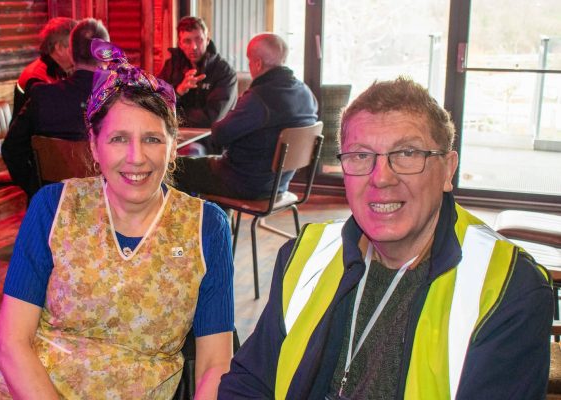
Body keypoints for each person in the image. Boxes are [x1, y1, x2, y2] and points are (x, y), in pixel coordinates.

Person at [218, 77, 554, 399]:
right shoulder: (304, 256)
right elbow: (251, 381)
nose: (381, 178)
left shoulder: (508, 289)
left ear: (448, 169)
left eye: (407, 153)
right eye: (361, 155)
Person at [0, 39, 234, 399]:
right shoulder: (53, 207)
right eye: (118, 138)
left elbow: (215, 364)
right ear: (94, 146)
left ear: (172, 147)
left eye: (152, 139)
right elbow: (11, 344)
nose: (136, 157)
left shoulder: (205, 228)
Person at [173, 32, 317, 200]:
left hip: (245, 182)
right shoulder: (306, 93)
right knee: (202, 163)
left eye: (249, 61)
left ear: (258, 63)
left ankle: (203, 216)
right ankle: (218, 215)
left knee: (174, 168)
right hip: (278, 183)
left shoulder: (260, 98)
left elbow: (219, 135)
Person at [2, 18, 109, 199]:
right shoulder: (120, 97)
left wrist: (37, 189)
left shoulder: (42, 96)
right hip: (107, 204)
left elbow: (11, 148)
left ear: (71, 53)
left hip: (53, 203)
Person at [158, 16, 237, 131]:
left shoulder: (224, 72)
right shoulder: (171, 66)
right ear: (180, 44)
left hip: (210, 138)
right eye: (187, 41)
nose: (194, 47)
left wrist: (171, 116)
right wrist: (178, 92)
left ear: (207, 40)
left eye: (199, 39)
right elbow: (154, 103)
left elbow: (212, 118)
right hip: (172, 134)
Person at [12, 17, 78, 120]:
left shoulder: (63, 71)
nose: (80, 51)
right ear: (59, 48)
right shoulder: (36, 78)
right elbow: (49, 120)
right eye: (75, 46)